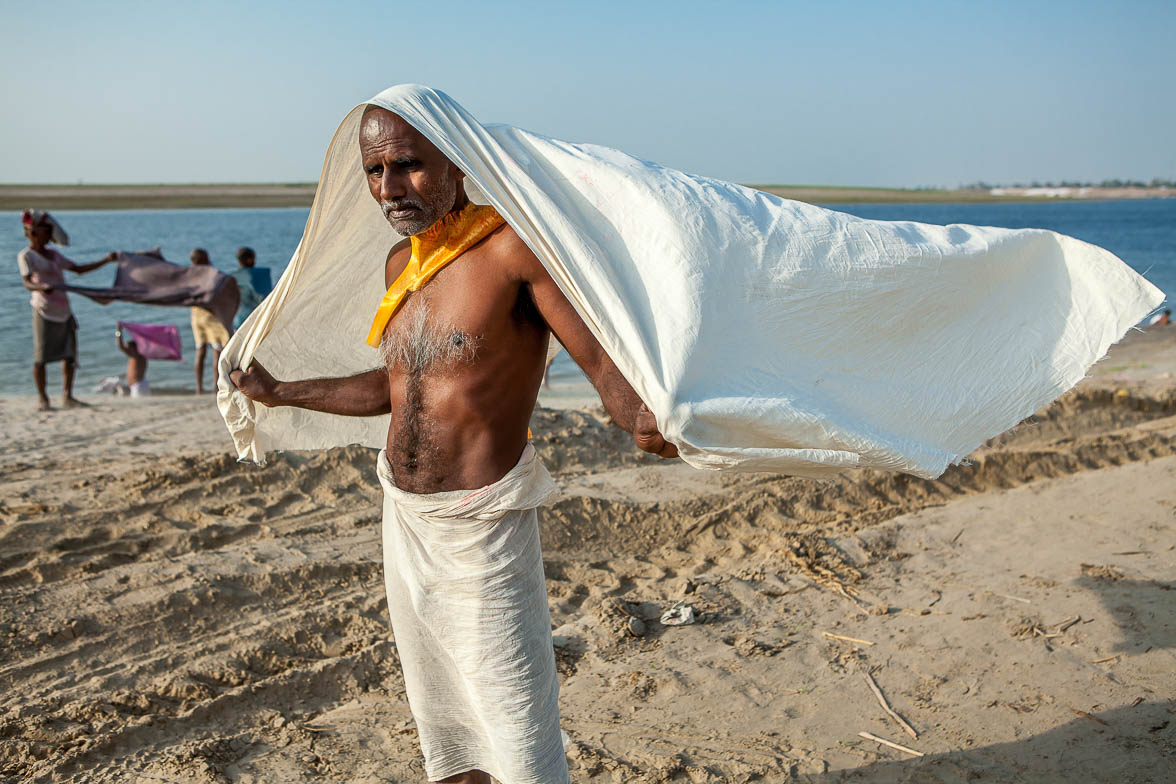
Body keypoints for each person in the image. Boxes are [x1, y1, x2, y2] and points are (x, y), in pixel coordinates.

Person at [231, 107, 676, 784]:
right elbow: (397, 386)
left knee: (513, 712)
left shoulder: (512, 251)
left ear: (458, 162)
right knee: (443, 716)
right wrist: (281, 391)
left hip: (484, 525)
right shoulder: (400, 266)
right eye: (375, 170)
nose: (389, 187)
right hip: (404, 520)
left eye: (407, 164)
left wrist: (639, 417)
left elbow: (601, 365)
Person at [17, 210, 116, 410]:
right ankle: (43, 399)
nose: (49, 237)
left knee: (70, 356)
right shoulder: (26, 256)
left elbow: (77, 269)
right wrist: (41, 287)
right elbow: (27, 283)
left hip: (64, 310)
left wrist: (106, 260)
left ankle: (67, 396)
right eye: (46, 232)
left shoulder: (54, 255)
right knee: (41, 357)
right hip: (44, 310)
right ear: (33, 233)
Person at [188, 248, 232, 394]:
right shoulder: (210, 273)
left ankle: (198, 388)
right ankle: (215, 387)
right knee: (216, 351)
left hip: (196, 316)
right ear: (201, 260)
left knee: (200, 351)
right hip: (211, 315)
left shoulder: (189, 275)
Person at [228, 246, 273, 330]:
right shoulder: (262, 274)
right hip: (260, 320)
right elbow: (265, 297)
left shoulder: (231, 277)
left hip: (238, 322)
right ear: (250, 259)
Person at [115, 325, 150, 397]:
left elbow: (120, 345)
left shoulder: (136, 356)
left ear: (133, 348)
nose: (126, 350)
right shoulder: (140, 356)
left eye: (128, 348)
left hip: (138, 386)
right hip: (140, 386)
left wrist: (118, 330)